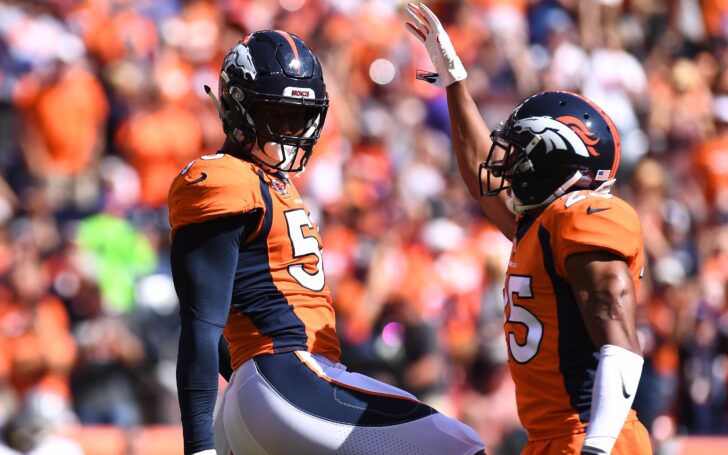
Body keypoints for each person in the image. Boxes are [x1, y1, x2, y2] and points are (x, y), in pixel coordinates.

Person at [168, 30, 485, 455]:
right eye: (275, 115)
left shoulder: (271, 183)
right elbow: (202, 327)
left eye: (299, 117)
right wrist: (201, 445)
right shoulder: (222, 177)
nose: (290, 131)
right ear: (237, 105)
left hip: (273, 385)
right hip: (284, 378)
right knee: (459, 445)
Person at [405, 3, 651, 455]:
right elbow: (482, 180)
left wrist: (597, 447)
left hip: (592, 436)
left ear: (559, 159)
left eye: (521, 152)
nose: (506, 163)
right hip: (551, 439)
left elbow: (617, 328)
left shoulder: (586, 214)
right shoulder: (538, 225)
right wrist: (456, 83)